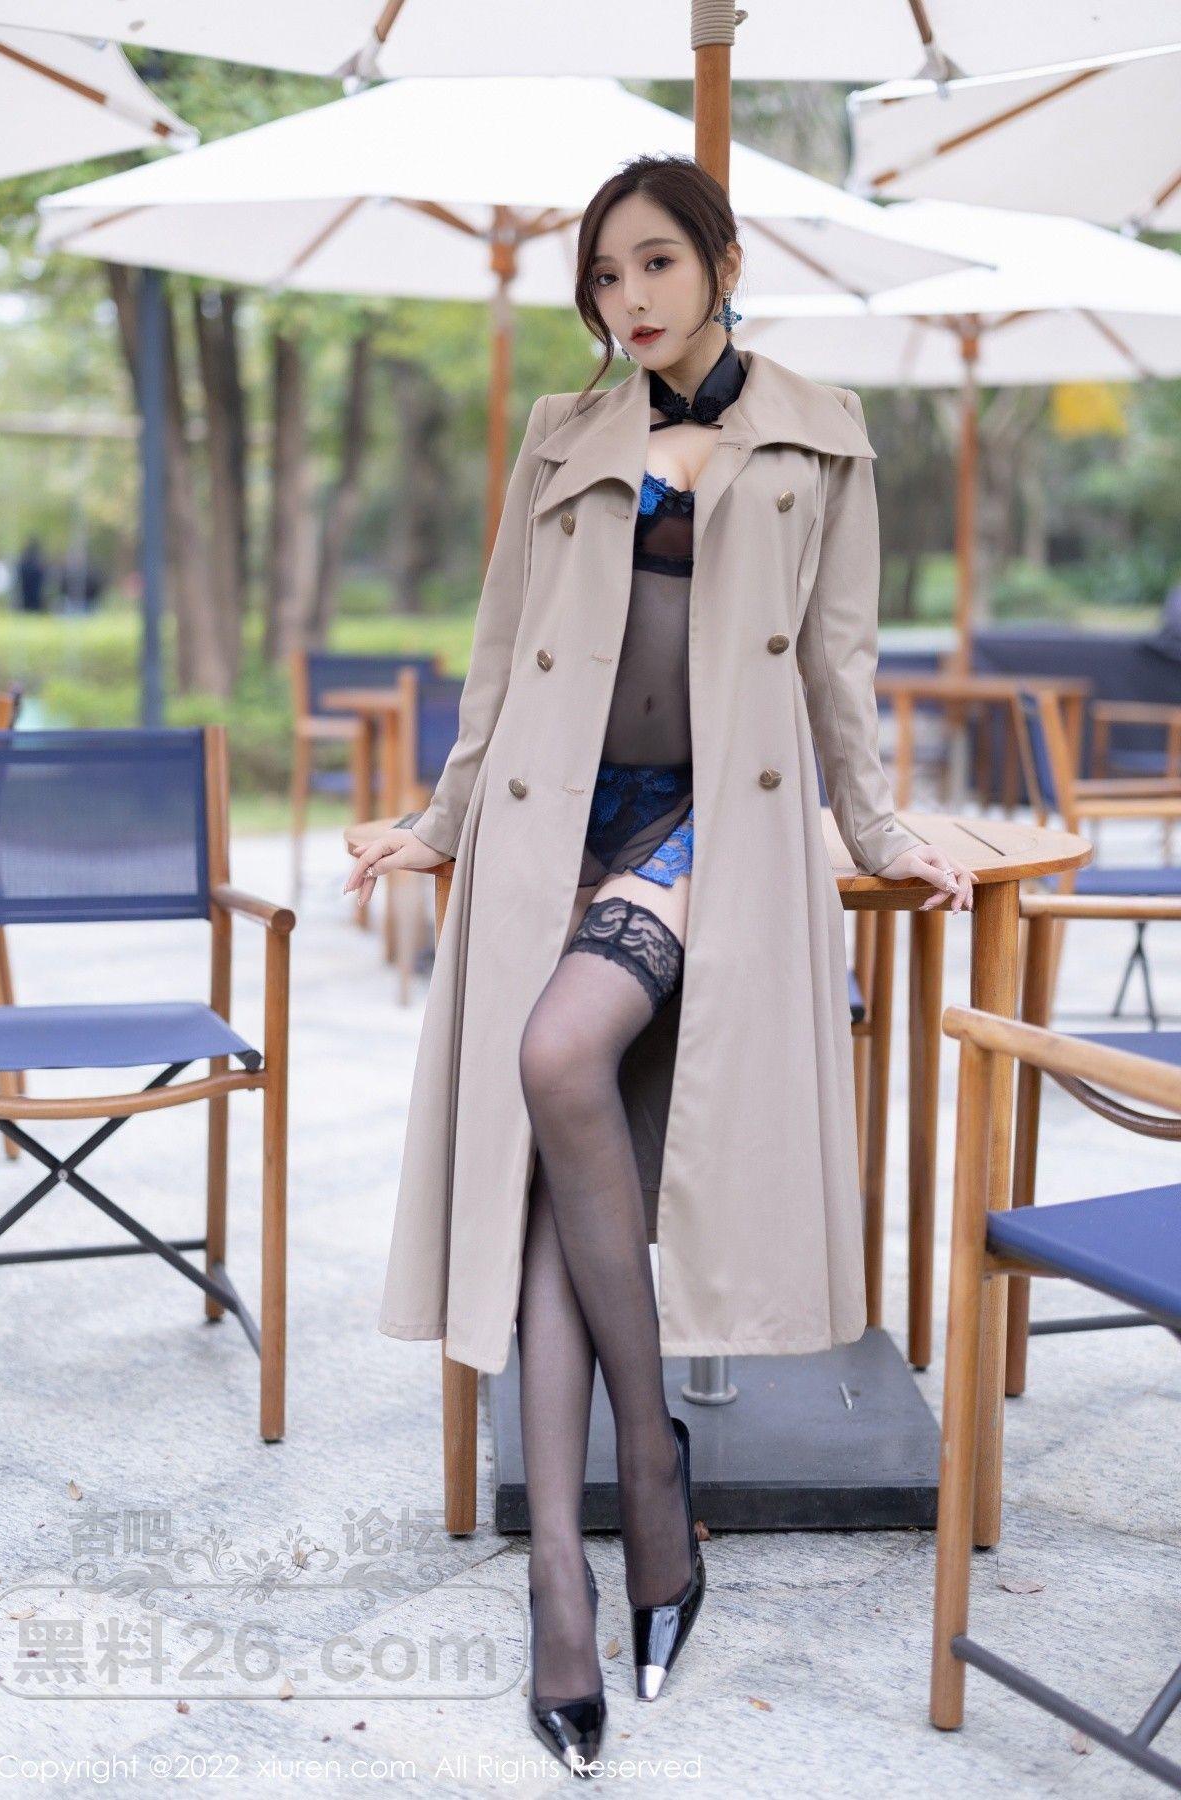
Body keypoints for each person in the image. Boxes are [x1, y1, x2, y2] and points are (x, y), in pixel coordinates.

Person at [345, 153, 974, 1777]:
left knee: (558, 1058)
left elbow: (838, 663)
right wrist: (438, 820)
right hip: (558, 817)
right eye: (605, 277)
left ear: (722, 262)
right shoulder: (565, 435)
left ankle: (649, 1459)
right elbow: (501, 652)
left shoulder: (823, 435)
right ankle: (574, 1575)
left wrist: (880, 828)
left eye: (655, 266)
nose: (627, 300)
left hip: (709, 825)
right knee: (556, 1189)